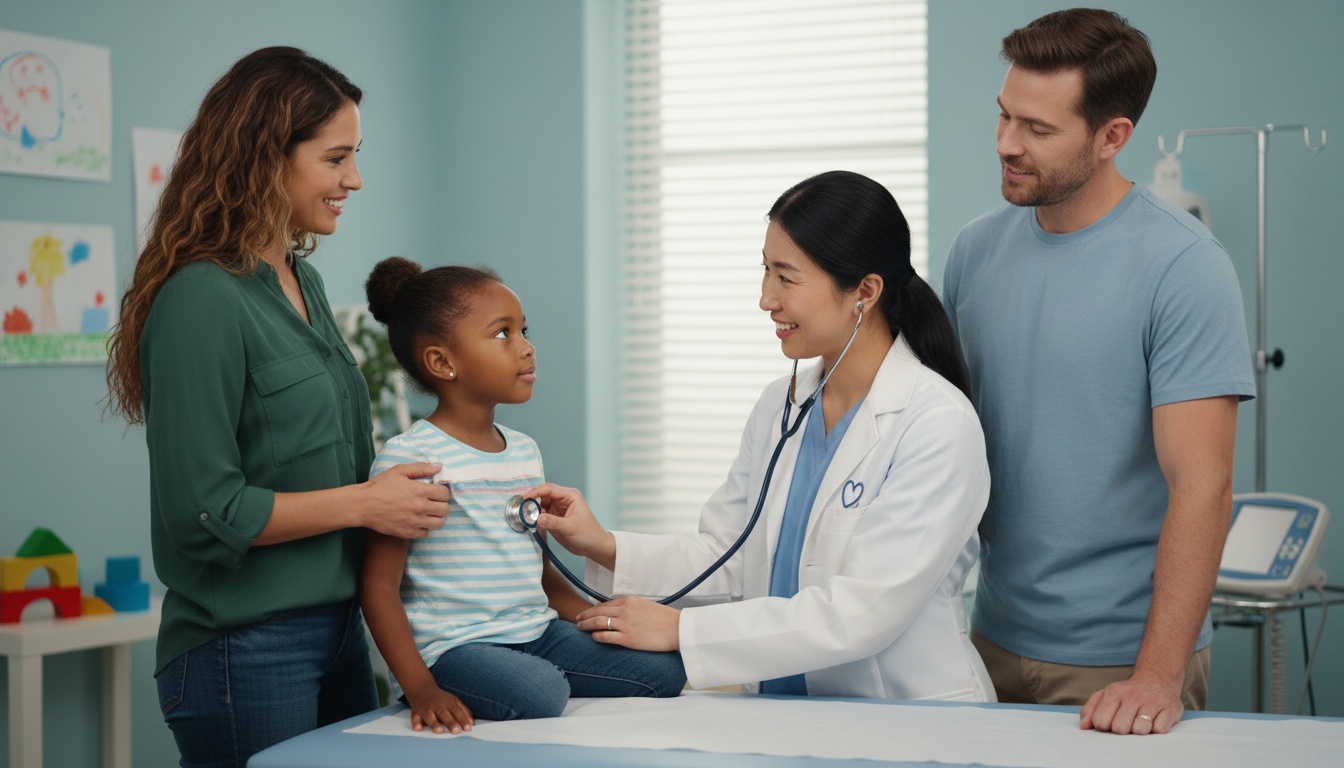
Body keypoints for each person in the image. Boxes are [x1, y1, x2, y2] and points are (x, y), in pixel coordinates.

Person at [104, 47, 453, 766]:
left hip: (340, 629)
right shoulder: (201, 298)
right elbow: (203, 510)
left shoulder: (303, 281)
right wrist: (364, 504)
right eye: (336, 159)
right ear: (267, 156)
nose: (354, 179)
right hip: (244, 647)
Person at [531, 170, 995, 702]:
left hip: (906, 716)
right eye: (765, 271)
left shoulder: (936, 423)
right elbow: (727, 555)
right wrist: (604, 546)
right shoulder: (782, 403)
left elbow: (863, 613)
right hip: (780, 712)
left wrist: (680, 632)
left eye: (786, 277)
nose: (765, 299)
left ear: (864, 292)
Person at [941, 9, 1255, 736]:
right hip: (985, 638)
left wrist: (1156, 675)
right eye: (1004, 117)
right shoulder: (974, 251)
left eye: (1037, 130)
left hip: (1121, 664)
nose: (1005, 145)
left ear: (1113, 137)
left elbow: (1201, 484)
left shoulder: (1184, 266)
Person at [360, 257, 686, 735]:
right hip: (456, 649)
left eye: (524, 331)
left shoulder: (524, 452)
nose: (527, 348)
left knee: (664, 671)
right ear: (442, 362)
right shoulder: (413, 461)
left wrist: (600, 621)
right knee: (541, 692)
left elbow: (539, 567)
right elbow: (379, 587)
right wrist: (421, 688)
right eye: (502, 334)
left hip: (536, 632)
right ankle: (473, 680)